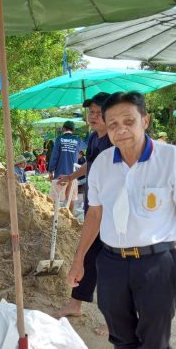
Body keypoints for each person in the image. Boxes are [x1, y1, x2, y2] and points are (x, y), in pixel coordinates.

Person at [68, 92, 176, 349]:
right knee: (121, 336)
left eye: (129, 121)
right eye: (113, 124)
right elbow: (95, 215)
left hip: (157, 264)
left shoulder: (171, 159)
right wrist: (79, 260)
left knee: (156, 342)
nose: (121, 129)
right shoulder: (102, 164)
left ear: (145, 121)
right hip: (112, 264)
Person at [54, 92, 111, 319]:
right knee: (88, 255)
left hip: (109, 212)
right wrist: (71, 177)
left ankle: (117, 317)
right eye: (91, 112)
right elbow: (90, 163)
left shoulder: (114, 141)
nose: (93, 116)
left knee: (111, 262)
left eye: (99, 113)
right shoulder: (95, 138)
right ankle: (75, 304)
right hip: (93, 206)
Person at [48, 120, 79, 211]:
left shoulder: (59, 139)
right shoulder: (77, 140)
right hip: (73, 174)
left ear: (63, 129)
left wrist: (50, 170)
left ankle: (55, 219)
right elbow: (86, 142)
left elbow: (54, 156)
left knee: (55, 198)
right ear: (73, 130)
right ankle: (70, 217)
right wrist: (89, 132)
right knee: (71, 197)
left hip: (60, 174)